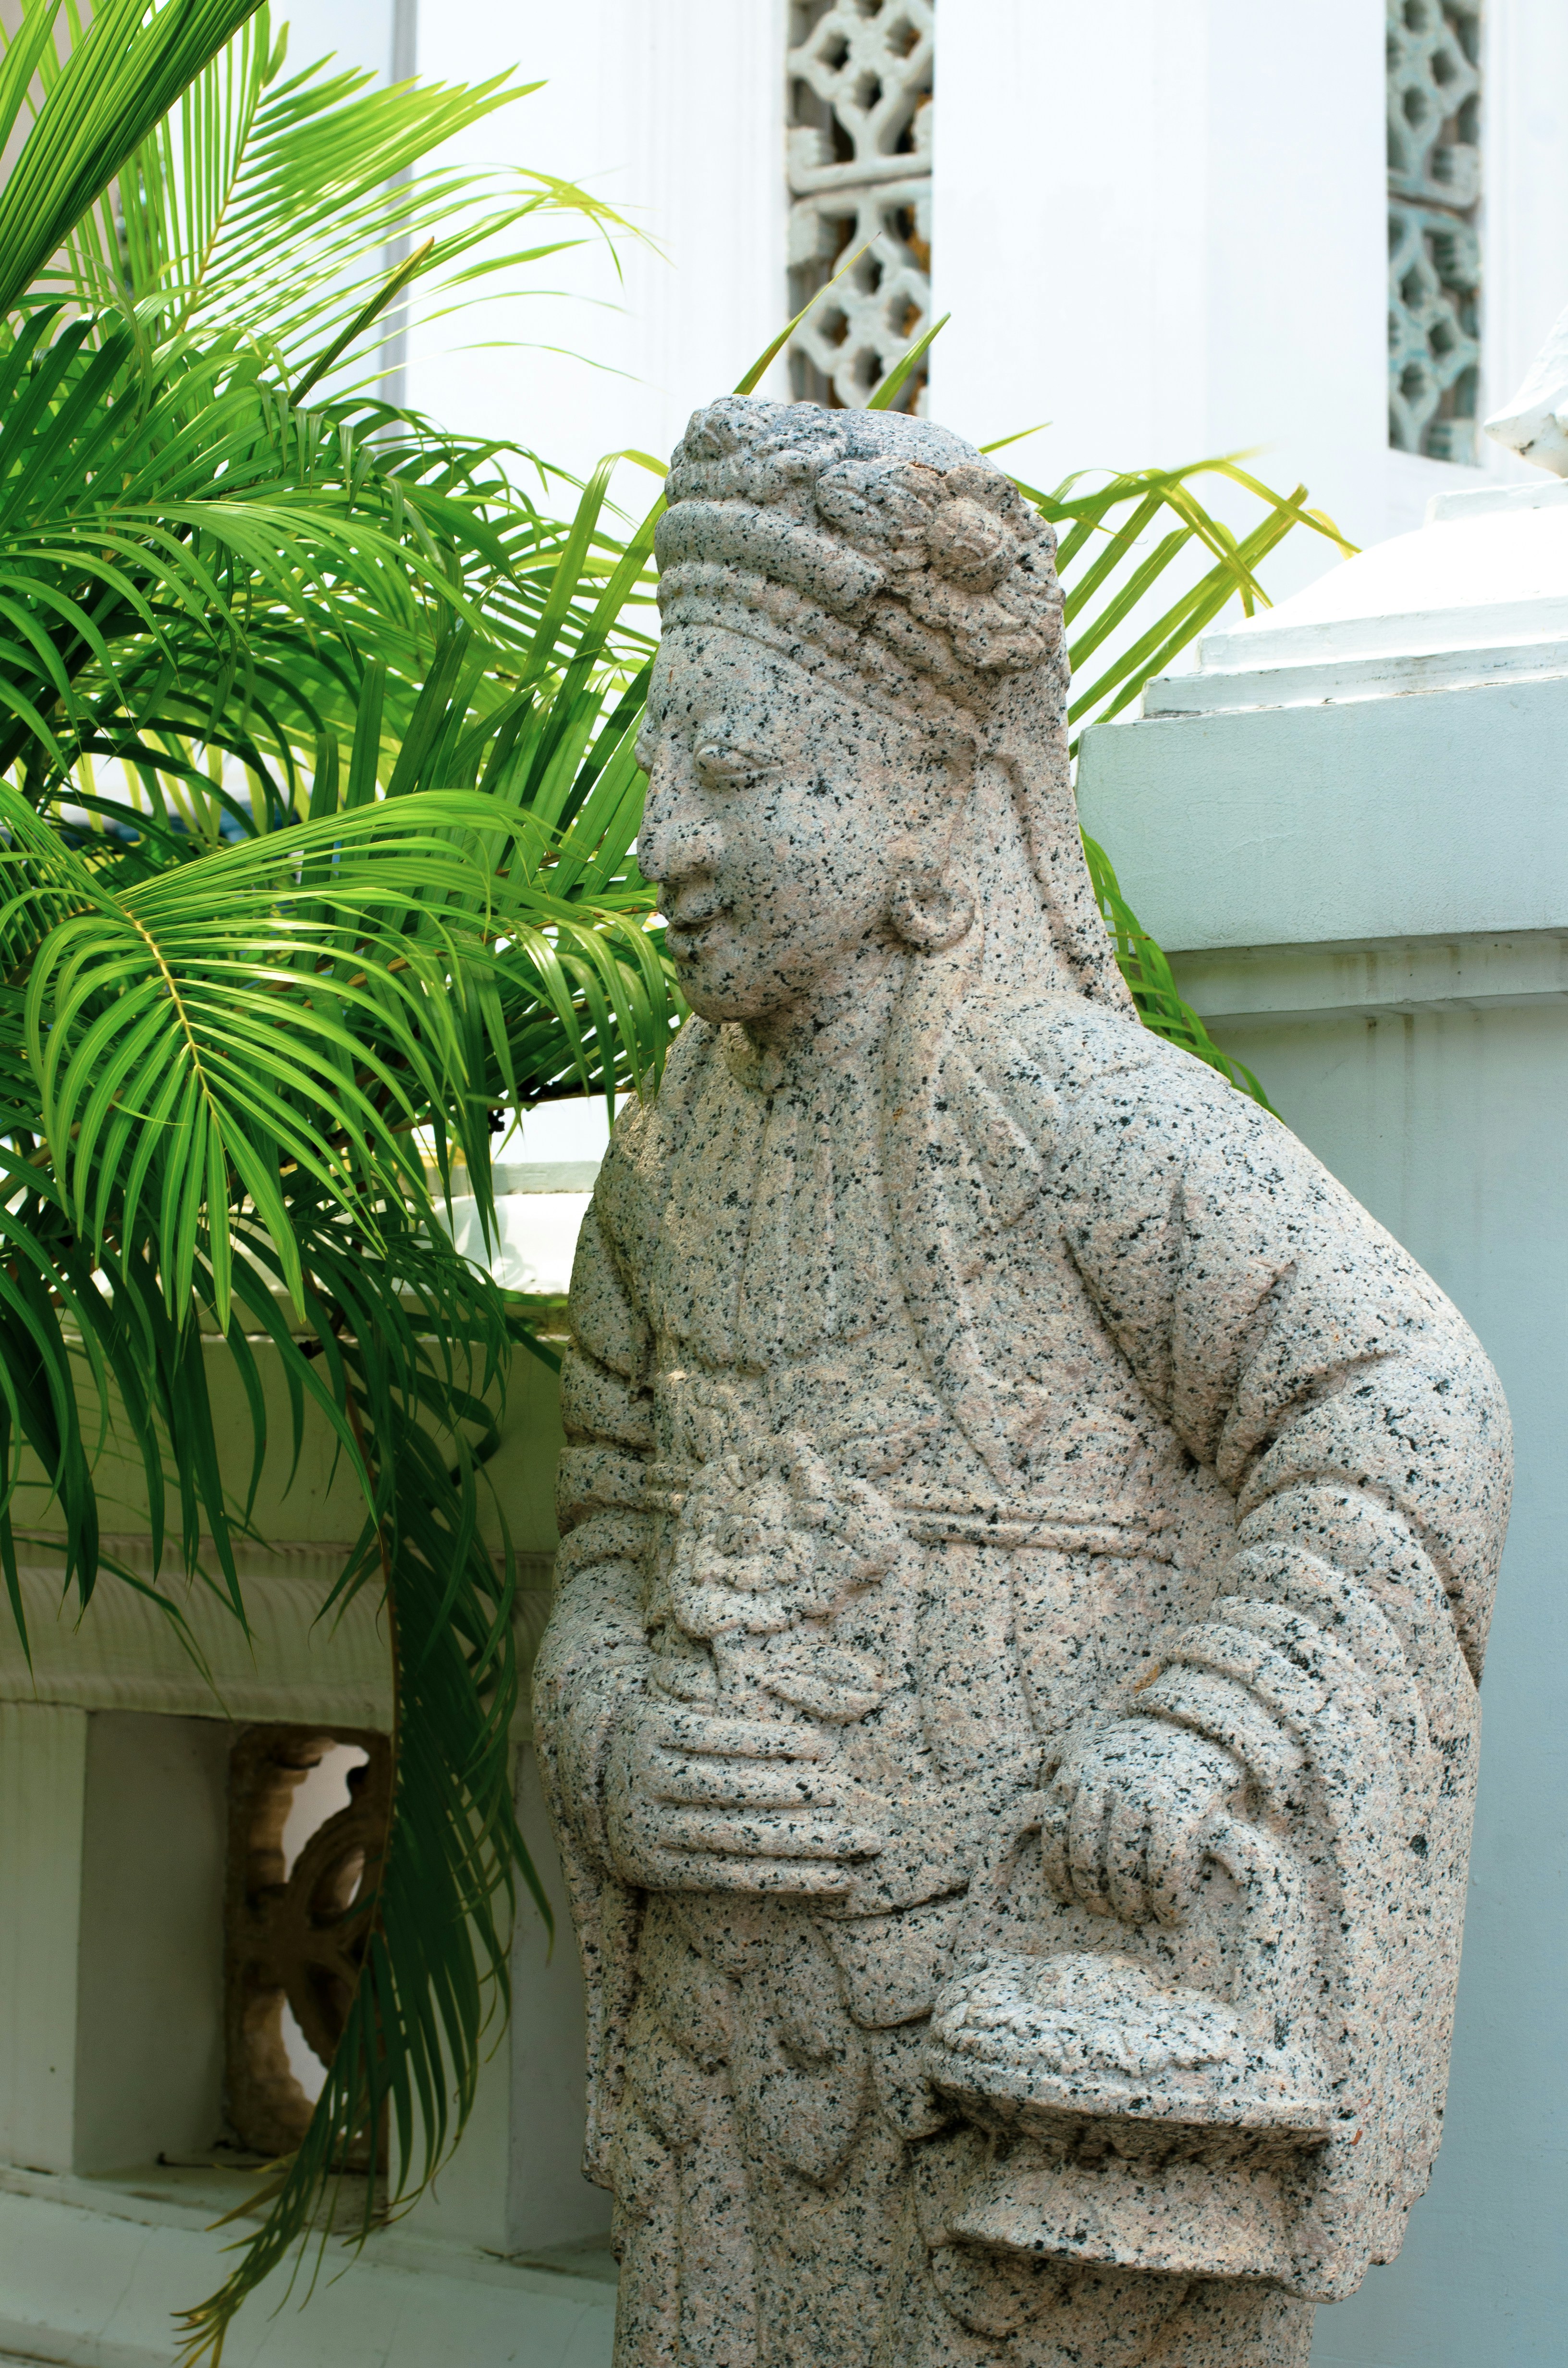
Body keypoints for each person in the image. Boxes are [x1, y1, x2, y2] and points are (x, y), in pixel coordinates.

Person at [534, 398, 1510, 2368]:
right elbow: (604, 1534)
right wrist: (621, 1734)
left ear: (922, 786)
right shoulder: (667, 1156)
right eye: (659, 761)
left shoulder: (1056, 1105)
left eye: (732, 766)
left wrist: (1202, 1722)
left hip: (1005, 2060)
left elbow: (1407, 1396)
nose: (664, 840)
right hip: (721, 2113)